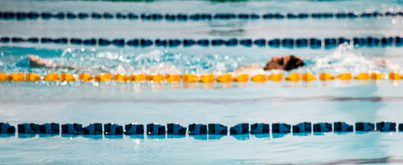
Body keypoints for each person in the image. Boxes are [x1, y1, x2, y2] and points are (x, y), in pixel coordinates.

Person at [27, 54, 304, 72]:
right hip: (181, 73)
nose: (271, 58)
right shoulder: (258, 71)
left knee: (109, 72)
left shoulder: (263, 75)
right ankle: (54, 65)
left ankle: (53, 65)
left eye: (278, 60)